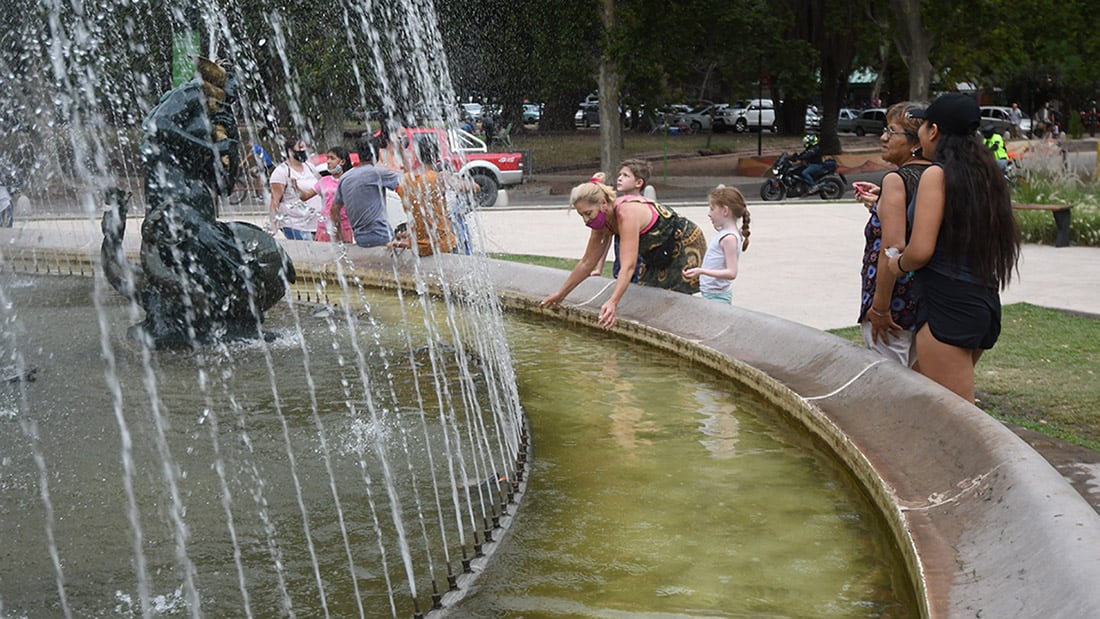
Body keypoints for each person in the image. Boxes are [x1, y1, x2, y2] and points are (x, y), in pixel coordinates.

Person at [886, 93, 1021, 402]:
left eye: (922, 126)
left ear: (933, 131)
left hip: (947, 308)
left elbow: (921, 250)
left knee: (959, 419)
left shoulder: (937, 174)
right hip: (980, 302)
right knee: (917, 402)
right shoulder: (986, 174)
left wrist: (899, 264)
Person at [539, 173, 706, 329]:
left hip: (683, 242)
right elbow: (587, 262)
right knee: (650, 296)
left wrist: (613, 302)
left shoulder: (626, 214)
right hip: (656, 252)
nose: (586, 220)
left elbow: (628, 266)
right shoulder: (601, 221)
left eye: (588, 213)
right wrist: (561, 294)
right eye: (581, 215)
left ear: (603, 203)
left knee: (674, 299)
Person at [851, 102, 932, 366]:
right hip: (924, 305)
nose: (883, 137)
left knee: (888, 388)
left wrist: (880, 308)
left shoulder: (896, 180)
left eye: (892, 131)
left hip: (894, 307)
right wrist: (881, 203)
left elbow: (893, 248)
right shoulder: (934, 176)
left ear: (915, 143)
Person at [682, 185, 750, 304]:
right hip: (711, 294)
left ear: (725, 211)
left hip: (717, 297)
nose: (709, 214)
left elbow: (731, 272)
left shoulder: (729, 238)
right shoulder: (728, 233)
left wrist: (701, 271)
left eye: (712, 209)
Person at [389, 139, 457, 256]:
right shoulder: (438, 179)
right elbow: (465, 186)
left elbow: (409, 171)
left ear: (417, 156)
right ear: (436, 156)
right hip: (443, 246)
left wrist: (401, 151)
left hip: (419, 248)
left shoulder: (405, 180)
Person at [331, 134, 401, 248]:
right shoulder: (376, 173)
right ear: (376, 152)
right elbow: (409, 183)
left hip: (360, 238)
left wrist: (339, 237)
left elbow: (334, 209)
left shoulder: (345, 177)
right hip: (381, 235)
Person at [592, 158, 653, 277]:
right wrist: (599, 268)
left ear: (638, 183)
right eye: (619, 175)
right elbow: (606, 237)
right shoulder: (616, 207)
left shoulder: (642, 208)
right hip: (621, 267)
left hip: (641, 268)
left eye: (625, 175)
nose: (619, 178)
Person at [267, 136, 323, 240]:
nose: (303, 151)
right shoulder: (282, 172)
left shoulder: (310, 167)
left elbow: (321, 185)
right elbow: (275, 200)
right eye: (300, 148)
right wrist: (273, 225)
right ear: (290, 151)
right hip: (294, 225)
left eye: (304, 148)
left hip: (315, 223)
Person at [296, 146, 353, 243]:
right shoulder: (324, 181)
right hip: (325, 226)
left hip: (344, 226)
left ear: (342, 162)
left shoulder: (349, 181)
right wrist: (295, 187)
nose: (328, 161)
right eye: (328, 158)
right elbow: (305, 196)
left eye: (332, 158)